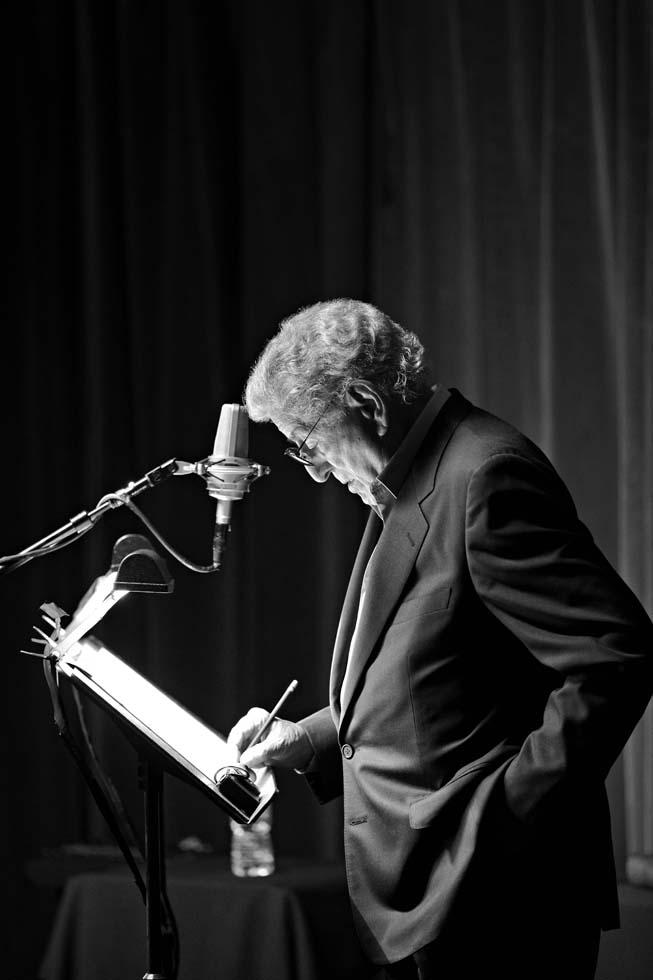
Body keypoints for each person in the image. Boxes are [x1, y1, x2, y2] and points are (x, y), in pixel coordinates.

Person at [227, 299, 653, 980]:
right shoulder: (405, 478)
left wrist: (505, 817)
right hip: (432, 898)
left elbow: (615, 656)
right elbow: (428, 675)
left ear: (364, 402)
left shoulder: (485, 474)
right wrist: (306, 738)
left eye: (306, 443)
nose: (310, 469)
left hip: (497, 898)